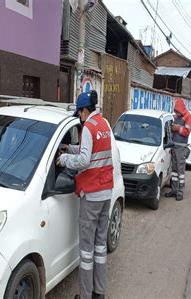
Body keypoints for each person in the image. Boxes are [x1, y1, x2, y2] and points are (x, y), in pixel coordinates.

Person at [57, 90, 113, 299]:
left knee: (86, 251)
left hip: (91, 195)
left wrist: (63, 160)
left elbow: (84, 161)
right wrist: (68, 148)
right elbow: (89, 151)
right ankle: (99, 293)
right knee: (99, 247)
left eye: (79, 113)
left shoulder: (87, 127)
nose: (79, 117)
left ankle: (85, 295)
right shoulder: (104, 124)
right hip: (106, 193)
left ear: (82, 111)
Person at [165, 99, 191, 201]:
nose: (176, 113)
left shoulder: (188, 117)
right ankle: (174, 190)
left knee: (180, 171)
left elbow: (187, 132)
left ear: (181, 108)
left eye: (177, 110)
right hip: (174, 146)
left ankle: (180, 191)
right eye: (175, 111)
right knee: (174, 170)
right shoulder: (176, 116)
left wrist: (177, 128)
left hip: (181, 147)